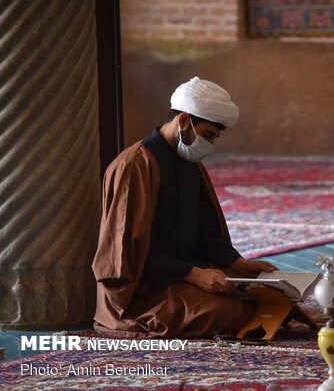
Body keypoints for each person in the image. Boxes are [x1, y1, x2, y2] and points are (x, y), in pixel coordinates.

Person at [91, 76, 278, 338]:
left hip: (187, 271)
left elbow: (205, 229)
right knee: (227, 310)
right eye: (207, 135)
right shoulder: (136, 165)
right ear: (183, 121)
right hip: (145, 286)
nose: (210, 145)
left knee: (263, 295)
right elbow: (128, 250)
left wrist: (238, 263)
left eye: (215, 138)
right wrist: (192, 274)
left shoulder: (188, 162)